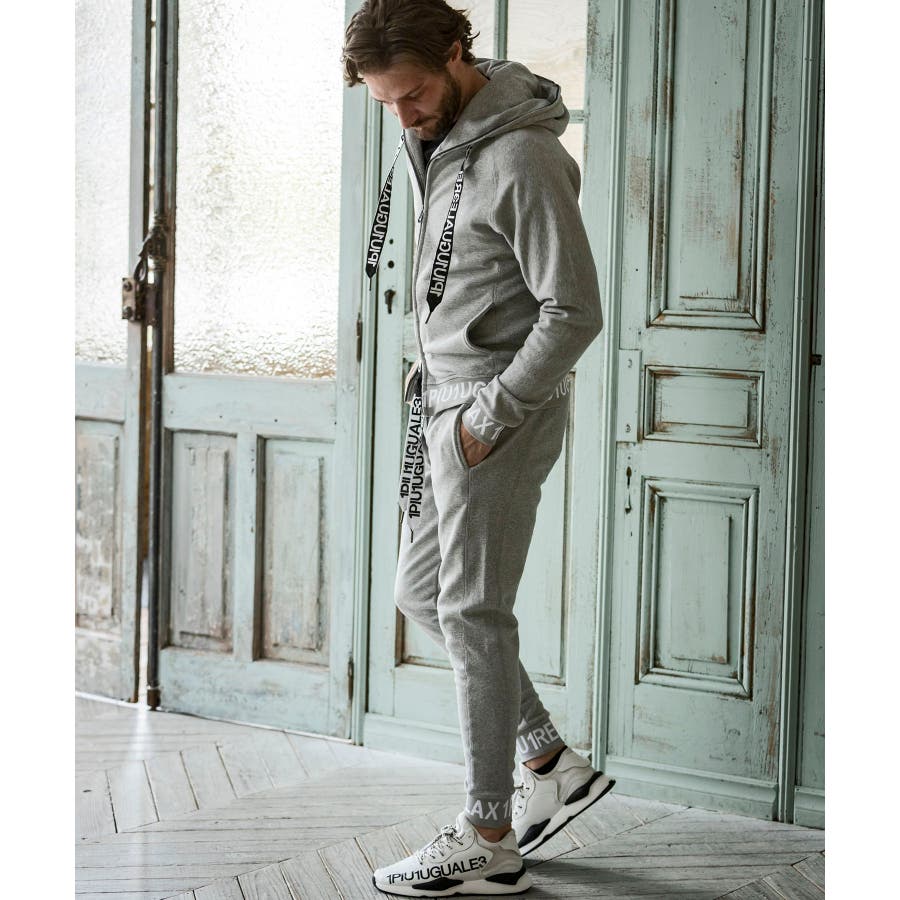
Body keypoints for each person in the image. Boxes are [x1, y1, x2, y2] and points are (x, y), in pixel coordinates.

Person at [343, 1, 614, 894]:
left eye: (414, 94)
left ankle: (489, 831)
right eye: (386, 102)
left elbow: (574, 310)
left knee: (471, 611)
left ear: (458, 53)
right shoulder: (437, 137)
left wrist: (488, 418)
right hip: (443, 404)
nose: (403, 114)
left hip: (492, 414)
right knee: (425, 594)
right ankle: (550, 764)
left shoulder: (522, 156)